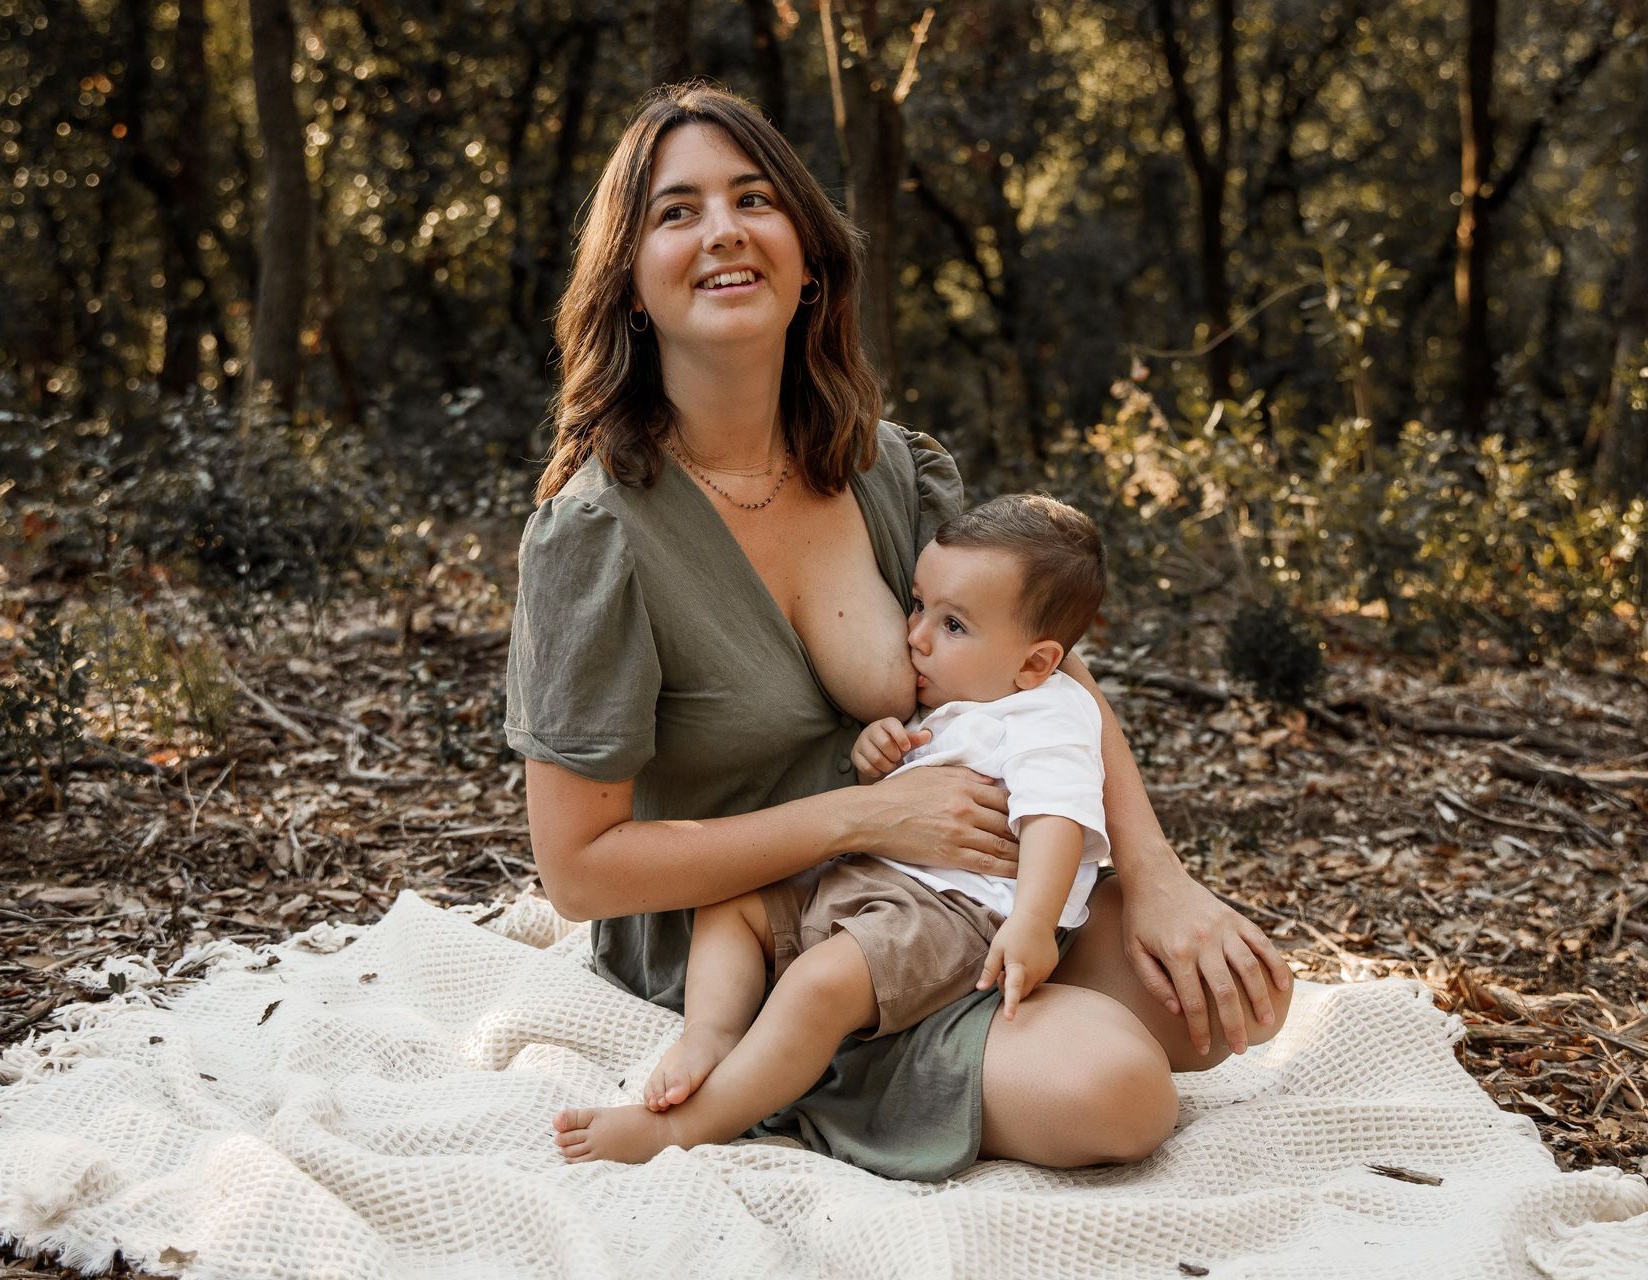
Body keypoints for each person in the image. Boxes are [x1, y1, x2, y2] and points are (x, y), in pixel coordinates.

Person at [507, 81, 1292, 1181]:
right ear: (631, 284)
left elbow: (1046, 679)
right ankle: (778, 1073)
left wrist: (1157, 873)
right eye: (677, 212)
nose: (724, 230)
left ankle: (989, 1008)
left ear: (808, 259)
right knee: (1117, 1093)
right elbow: (579, 872)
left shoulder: (889, 466)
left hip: (952, 884)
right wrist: (866, 815)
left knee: (1232, 997)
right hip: (755, 931)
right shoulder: (596, 533)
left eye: (754, 198)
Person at [553, 495, 1115, 1164]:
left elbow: (1056, 818)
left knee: (821, 984)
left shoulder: (1050, 716)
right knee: (732, 907)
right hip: (874, 877)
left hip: (957, 912)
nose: (917, 636)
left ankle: (681, 1128)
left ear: (1036, 663)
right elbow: (910, 792)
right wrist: (881, 756)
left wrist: (1032, 923)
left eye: (953, 624)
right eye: (917, 606)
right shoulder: (966, 696)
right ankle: (710, 1034)